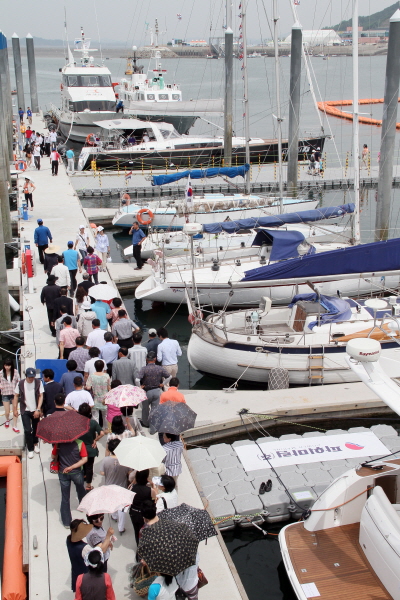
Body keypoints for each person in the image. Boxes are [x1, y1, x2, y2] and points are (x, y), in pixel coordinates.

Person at [53, 437, 87, 527]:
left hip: (63, 472)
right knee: (80, 489)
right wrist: (72, 467)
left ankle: (66, 522)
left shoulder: (58, 443)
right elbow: (84, 459)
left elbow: (53, 456)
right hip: (77, 472)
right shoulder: (80, 443)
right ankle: (83, 505)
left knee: (65, 497)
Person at [101, 438, 131, 533]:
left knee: (112, 503)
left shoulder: (105, 460)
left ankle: (114, 516)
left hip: (109, 486)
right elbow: (129, 472)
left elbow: (102, 473)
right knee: (122, 508)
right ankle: (121, 528)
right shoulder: (125, 460)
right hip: (122, 486)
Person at [12, 368, 43, 459]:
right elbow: (16, 396)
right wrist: (15, 409)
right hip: (25, 409)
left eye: (33, 377)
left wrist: (38, 409)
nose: (31, 379)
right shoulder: (21, 383)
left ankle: (35, 444)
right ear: (26, 376)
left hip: (35, 409)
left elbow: (41, 395)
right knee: (27, 430)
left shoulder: (38, 382)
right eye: (29, 377)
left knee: (36, 428)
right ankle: (30, 449)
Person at [138, 351, 170, 428]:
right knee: (155, 409)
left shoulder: (144, 369)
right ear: (155, 359)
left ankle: (145, 423)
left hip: (146, 392)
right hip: (156, 391)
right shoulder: (160, 368)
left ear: (146, 359)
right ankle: (153, 424)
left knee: (145, 409)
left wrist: (139, 387)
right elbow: (169, 376)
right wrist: (163, 383)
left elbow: (136, 379)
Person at [78, 403, 104, 491]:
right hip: (90, 449)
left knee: (81, 465)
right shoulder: (92, 422)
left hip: (79, 448)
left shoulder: (75, 423)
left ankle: (82, 478)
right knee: (89, 467)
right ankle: (88, 485)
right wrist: (95, 440)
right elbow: (102, 433)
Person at [129, 469, 157, 544]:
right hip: (144, 515)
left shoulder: (132, 488)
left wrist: (133, 482)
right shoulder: (150, 490)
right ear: (146, 477)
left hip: (133, 513)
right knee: (145, 531)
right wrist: (153, 486)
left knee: (136, 531)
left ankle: (138, 546)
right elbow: (155, 500)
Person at [67, 519, 91, 592]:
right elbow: (96, 557)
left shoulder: (68, 540)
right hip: (85, 577)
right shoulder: (85, 548)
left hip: (75, 574)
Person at [0, 358, 20, 431]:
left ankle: (14, 425)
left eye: (8, 365)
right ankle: (7, 420)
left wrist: (18, 390)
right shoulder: (1, 373)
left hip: (14, 394)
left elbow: (19, 381)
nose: (7, 367)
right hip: (5, 393)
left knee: (15, 410)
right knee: (7, 411)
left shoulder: (15, 372)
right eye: (6, 365)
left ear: (11, 365)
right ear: (4, 365)